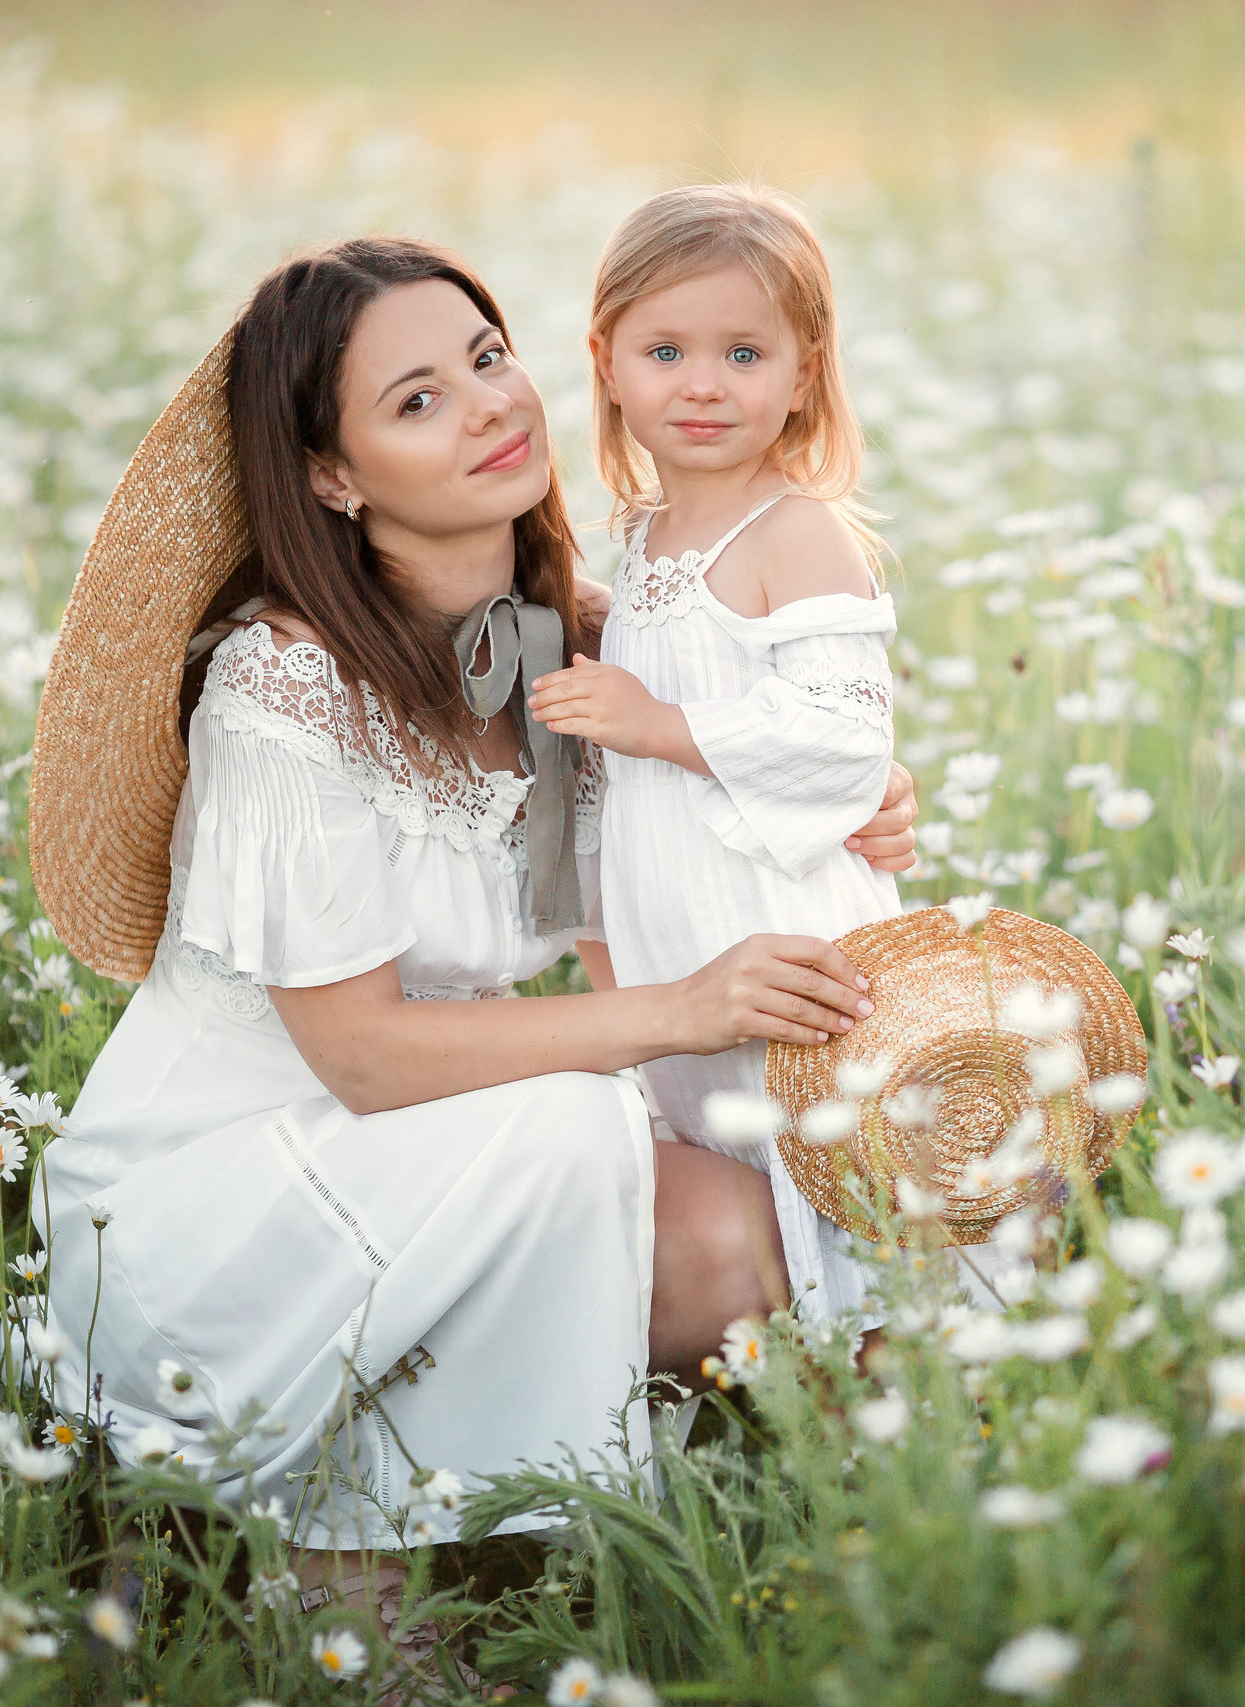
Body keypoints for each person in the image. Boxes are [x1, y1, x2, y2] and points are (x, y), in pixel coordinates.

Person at [22, 236, 919, 1669]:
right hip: (231, 1193)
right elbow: (363, 1057)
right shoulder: (281, 690)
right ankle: (337, 1561)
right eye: (418, 400)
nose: (491, 405)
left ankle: (776, 1534)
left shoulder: (574, 644)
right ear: (335, 475)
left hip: (457, 1136)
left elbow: (743, 782)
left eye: (488, 358)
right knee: (573, 1131)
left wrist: (844, 794)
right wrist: (676, 1014)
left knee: (749, 1238)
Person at [528, 184, 904, 1330]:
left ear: (802, 375)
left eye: (744, 353)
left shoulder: (794, 531)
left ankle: (879, 1367)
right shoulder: (643, 538)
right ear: (606, 364)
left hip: (779, 921)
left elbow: (845, 738)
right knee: (725, 1142)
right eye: (666, 351)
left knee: (823, 1150)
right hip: (679, 930)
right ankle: (776, 1362)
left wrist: (655, 723)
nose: (703, 384)